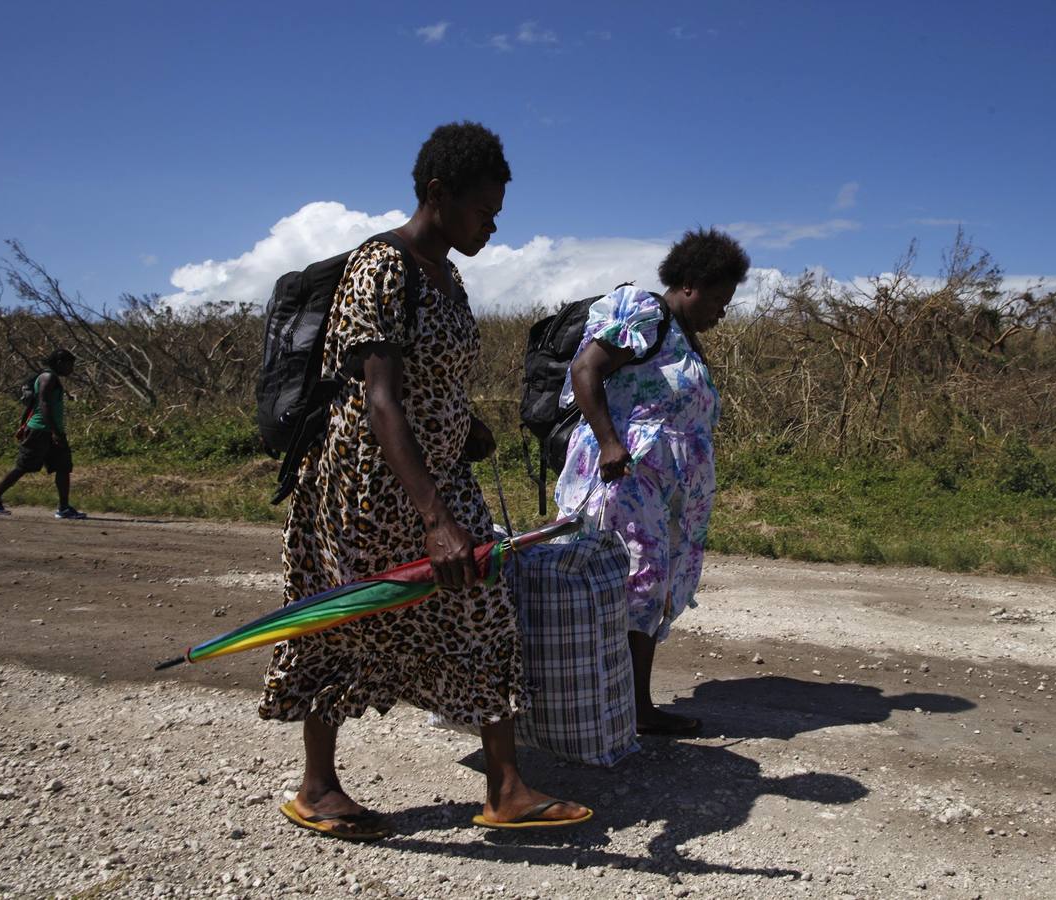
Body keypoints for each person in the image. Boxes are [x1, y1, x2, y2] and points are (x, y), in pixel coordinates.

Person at [258, 122, 590, 841]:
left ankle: (506, 789)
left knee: (485, 613)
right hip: (366, 493)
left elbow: (429, 378)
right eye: (483, 211)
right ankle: (317, 787)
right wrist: (435, 520)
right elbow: (379, 402)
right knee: (345, 624)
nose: (492, 226)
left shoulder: (449, 274)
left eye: (497, 213)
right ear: (437, 194)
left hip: (437, 475)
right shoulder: (382, 268)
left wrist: (462, 424)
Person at [554, 227, 750, 736]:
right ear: (690, 284)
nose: (722, 312)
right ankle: (615, 707)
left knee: (648, 590)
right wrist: (611, 443)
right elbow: (585, 370)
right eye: (720, 299)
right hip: (626, 483)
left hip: (661, 494)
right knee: (630, 585)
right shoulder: (645, 312)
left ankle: (631, 706)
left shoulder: (685, 339)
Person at [0, 349, 87, 519]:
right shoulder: (48, 377)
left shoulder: (52, 378)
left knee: (63, 467)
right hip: (40, 431)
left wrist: (56, 431)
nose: (71, 369)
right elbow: (43, 403)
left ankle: (64, 508)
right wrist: (54, 431)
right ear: (59, 362)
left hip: (52, 431)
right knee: (23, 466)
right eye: (69, 364)